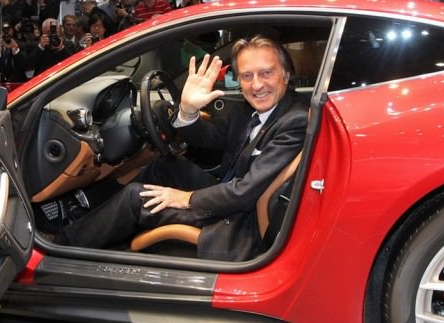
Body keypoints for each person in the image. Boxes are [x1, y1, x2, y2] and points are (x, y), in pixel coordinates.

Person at [60, 35, 309, 260]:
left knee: (136, 198)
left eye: (266, 73)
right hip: (231, 192)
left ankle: (61, 247)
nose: (256, 85)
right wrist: (188, 111)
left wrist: (185, 198)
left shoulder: (295, 120)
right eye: (247, 76)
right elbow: (210, 137)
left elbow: (244, 193)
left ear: (286, 74)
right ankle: (93, 219)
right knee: (165, 165)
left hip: (239, 220)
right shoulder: (249, 111)